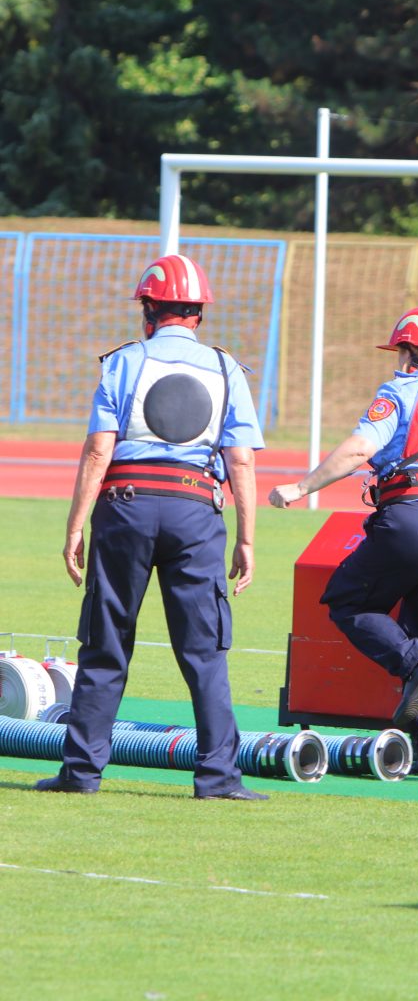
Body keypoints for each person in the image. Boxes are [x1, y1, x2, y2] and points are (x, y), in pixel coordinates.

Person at [39, 254, 265, 800]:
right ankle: (218, 777)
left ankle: (81, 773)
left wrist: (75, 526)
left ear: (148, 311)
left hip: (125, 507)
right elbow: (240, 461)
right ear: (199, 314)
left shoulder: (123, 362)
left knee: (106, 642)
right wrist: (246, 538)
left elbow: (99, 450)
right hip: (195, 511)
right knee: (204, 650)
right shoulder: (226, 369)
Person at [268, 305, 418, 780]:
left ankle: (414, 667)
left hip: (413, 519)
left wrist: (300, 487)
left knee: (347, 600)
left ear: (411, 352)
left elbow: (360, 448)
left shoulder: (399, 391)